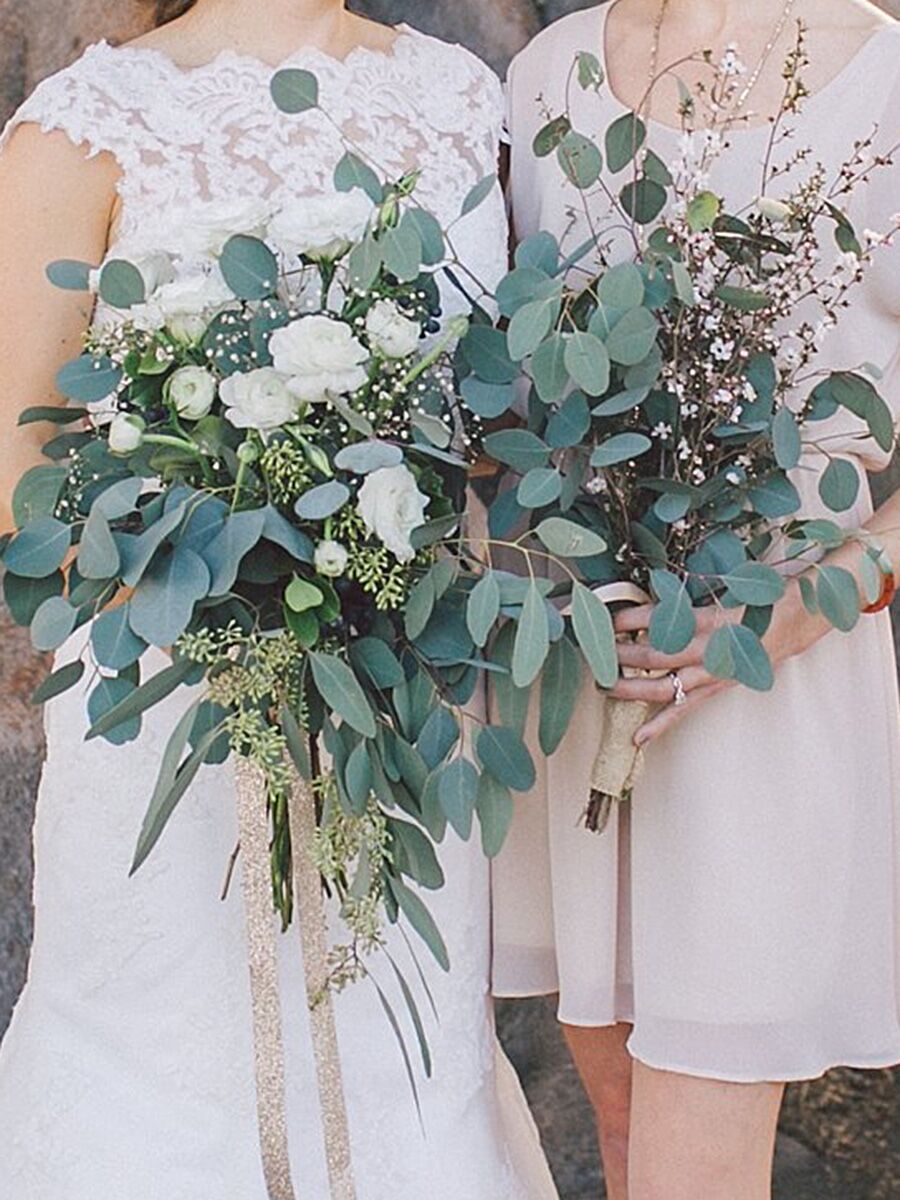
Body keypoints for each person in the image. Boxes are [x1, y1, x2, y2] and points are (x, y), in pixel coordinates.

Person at [0, 2, 559, 1197]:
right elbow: (19, 482)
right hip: (173, 697)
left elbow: (496, 419)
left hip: (404, 697)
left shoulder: (462, 96)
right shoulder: (88, 122)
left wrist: (379, 550)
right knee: (164, 1063)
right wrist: (233, 578)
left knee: (398, 1066)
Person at [496, 1, 900, 1197]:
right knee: (623, 1147)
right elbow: (510, 396)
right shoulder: (543, 76)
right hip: (578, 681)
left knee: (695, 1174)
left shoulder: (887, 81)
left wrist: (797, 605)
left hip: (770, 687)